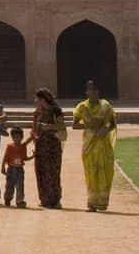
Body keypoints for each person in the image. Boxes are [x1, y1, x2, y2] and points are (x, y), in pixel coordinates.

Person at [71, 79, 117, 211]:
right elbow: (74, 125)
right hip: (89, 144)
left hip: (103, 143)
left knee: (105, 171)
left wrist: (105, 130)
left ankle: (102, 202)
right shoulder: (82, 107)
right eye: (89, 89)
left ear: (98, 92)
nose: (91, 92)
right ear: (86, 91)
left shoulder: (105, 106)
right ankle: (91, 202)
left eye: (94, 90)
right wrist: (87, 125)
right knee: (91, 172)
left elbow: (112, 124)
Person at [30, 86, 66, 209]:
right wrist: (32, 137)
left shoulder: (56, 111)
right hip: (40, 147)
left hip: (53, 147)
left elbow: (61, 127)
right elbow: (34, 130)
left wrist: (48, 127)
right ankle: (45, 199)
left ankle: (55, 200)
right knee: (41, 172)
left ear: (43, 99)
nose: (35, 102)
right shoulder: (37, 113)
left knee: (53, 172)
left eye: (37, 99)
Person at [0, 126, 33, 208]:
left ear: (22, 137)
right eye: (15, 137)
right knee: (9, 186)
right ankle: (7, 198)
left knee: (20, 186)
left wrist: (33, 156)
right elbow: (5, 157)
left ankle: (20, 201)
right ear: (12, 137)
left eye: (19, 137)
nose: (17, 139)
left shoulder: (23, 147)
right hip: (11, 169)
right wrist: (2, 166)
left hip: (20, 170)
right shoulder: (10, 147)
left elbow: (25, 158)